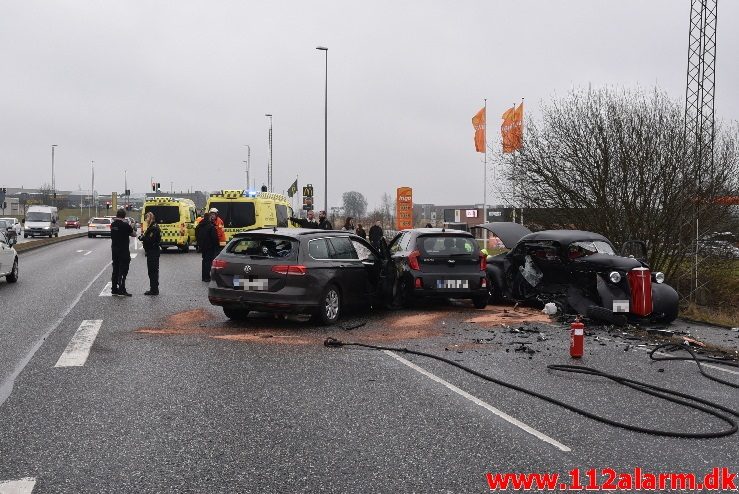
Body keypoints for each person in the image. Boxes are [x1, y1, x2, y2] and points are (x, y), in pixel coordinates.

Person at [110, 208, 136, 296]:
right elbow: (134, 234)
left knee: (115, 269)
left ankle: (114, 289)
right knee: (123, 270)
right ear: (124, 216)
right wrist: (131, 226)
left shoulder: (112, 225)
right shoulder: (125, 225)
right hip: (123, 251)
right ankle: (122, 289)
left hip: (114, 250)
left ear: (117, 215)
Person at [140, 211, 161, 295]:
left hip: (153, 251)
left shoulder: (154, 228)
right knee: (152, 271)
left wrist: (142, 238)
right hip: (151, 251)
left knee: (153, 271)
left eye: (147, 217)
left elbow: (150, 239)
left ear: (151, 218)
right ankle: (153, 288)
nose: (146, 219)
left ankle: (154, 290)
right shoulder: (151, 227)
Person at [196, 212, 219, 282]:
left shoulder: (199, 225)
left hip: (203, 246)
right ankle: (207, 277)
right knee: (208, 262)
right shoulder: (211, 226)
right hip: (210, 247)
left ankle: (203, 277)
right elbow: (214, 238)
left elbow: (196, 235)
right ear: (209, 218)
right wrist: (216, 245)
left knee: (204, 261)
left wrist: (199, 243)